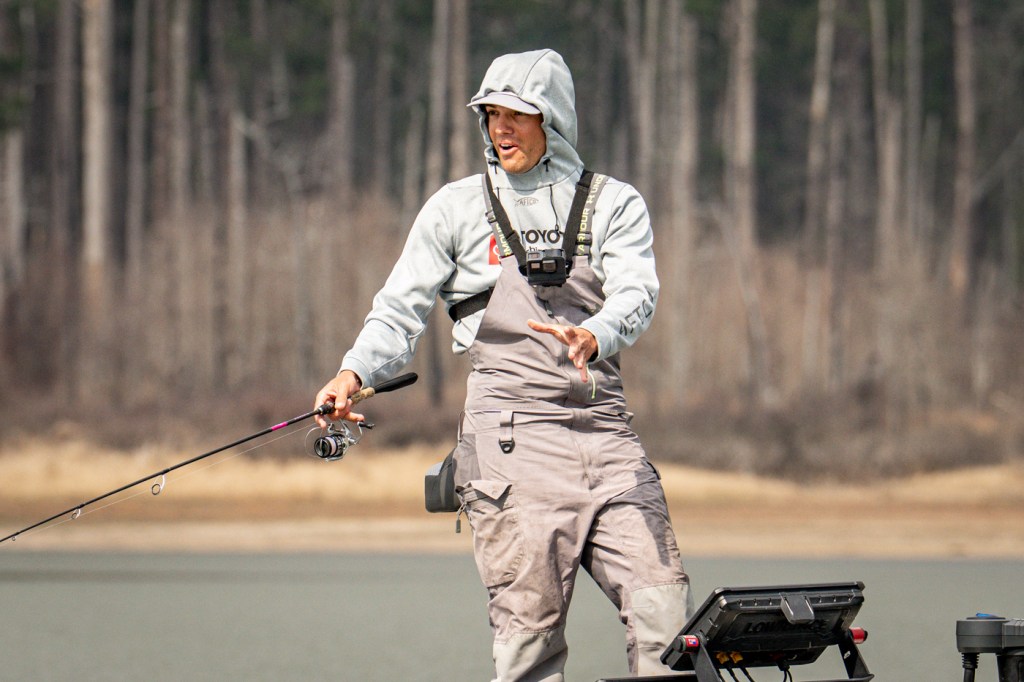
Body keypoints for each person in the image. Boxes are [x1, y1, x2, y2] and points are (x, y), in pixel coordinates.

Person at [314, 48, 692, 681]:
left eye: (516, 114)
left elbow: (638, 294)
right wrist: (354, 373)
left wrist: (594, 334)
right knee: (529, 641)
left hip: (608, 436)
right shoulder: (454, 208)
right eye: (491, 114)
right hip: (510, 443)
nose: (501, 128)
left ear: (553, 118)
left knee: (668, 620)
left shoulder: (614, 202)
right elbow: (398, 311)